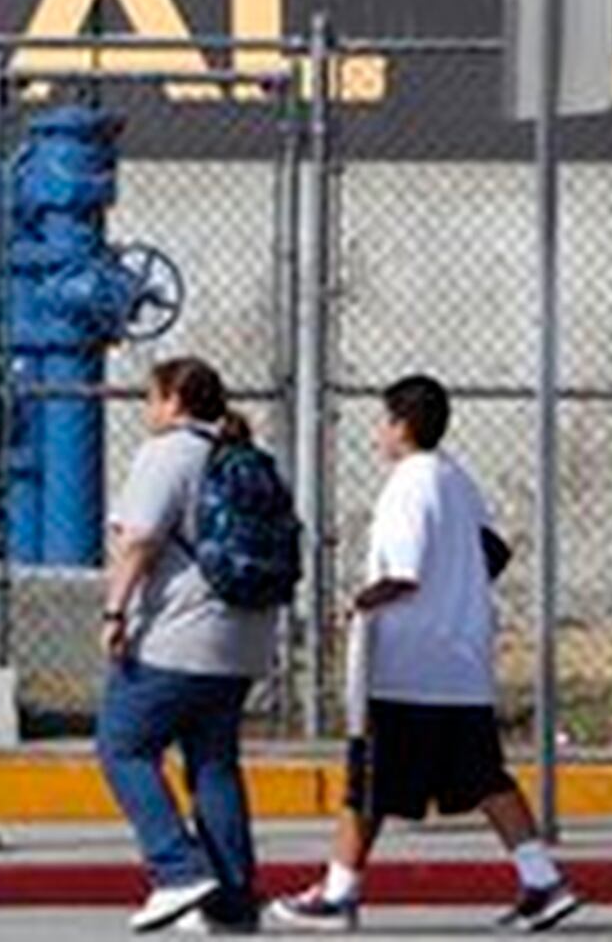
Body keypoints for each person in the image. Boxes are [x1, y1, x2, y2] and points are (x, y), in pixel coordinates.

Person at [271, 374, 583, 933]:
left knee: (366, 783)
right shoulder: (456, 479)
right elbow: (492, 552)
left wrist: (355, 605)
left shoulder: (407, 484)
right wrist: (455, 591)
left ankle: (338, 894)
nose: (378, 434)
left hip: (405, 666)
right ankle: (543, 881)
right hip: (460, 663)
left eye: (383, 422)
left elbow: (403, 574)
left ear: (401, 425)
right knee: (486, 778)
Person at [98, 356, 280, 934]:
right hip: (244, 638)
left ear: (175, 400)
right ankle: (232, 900)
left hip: (179, 637)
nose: (148, 410)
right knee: (213, 765)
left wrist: (114, 611)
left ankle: (176, 870)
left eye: (152, 398)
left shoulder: (168, 453)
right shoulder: (241, 455)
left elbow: (140, 540)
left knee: (122, 745)